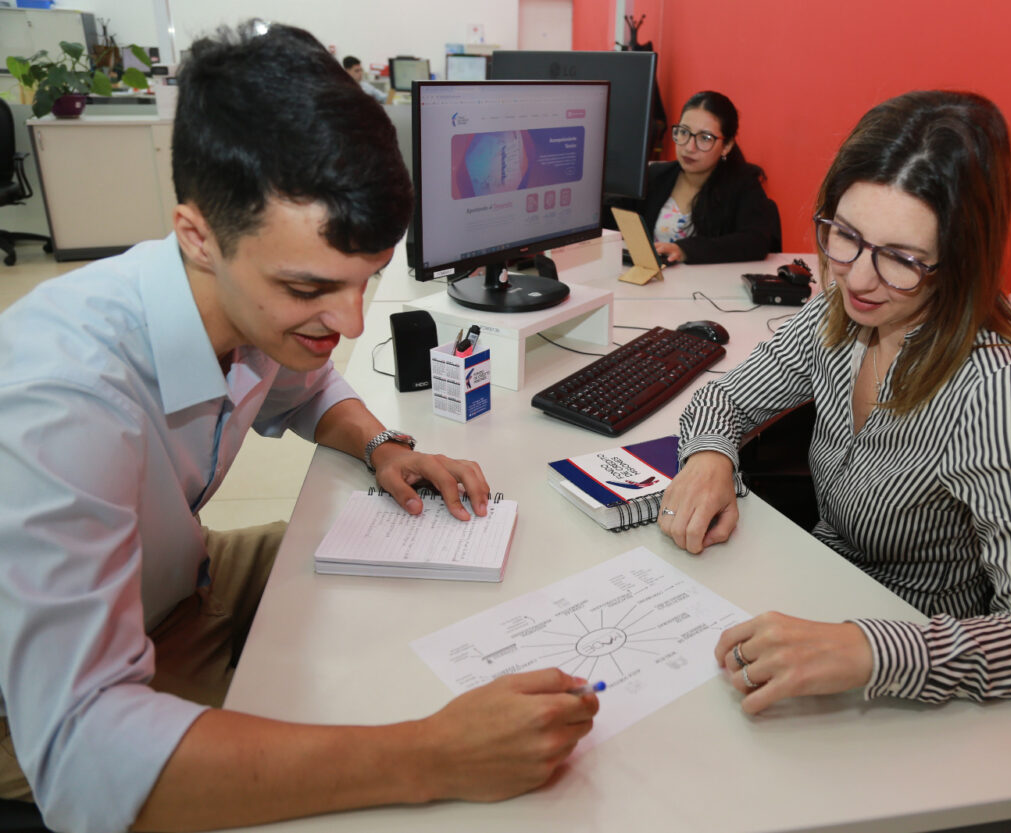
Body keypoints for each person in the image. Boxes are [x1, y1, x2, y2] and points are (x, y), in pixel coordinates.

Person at [0, 23, 597, 833]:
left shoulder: (244, 299)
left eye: (368, 281)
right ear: (197, 235)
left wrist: (382, 445)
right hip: (36, 703)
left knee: (404, 575)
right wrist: (430, 756)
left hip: (180, 586)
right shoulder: (61, 401)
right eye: (312, 286)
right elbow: (79, 757)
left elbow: (308, 386)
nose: (350, 321)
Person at [658, 90, 1011, 714]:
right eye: (846, 237)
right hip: (820, 595)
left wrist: (867, 652)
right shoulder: (840, 313)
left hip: (920, 661)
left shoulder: (996, 388)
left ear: (960, 261)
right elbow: (725, 400)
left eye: (902, 259)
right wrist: (709, 458)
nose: (857, 278)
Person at [642, 90, 781, 264]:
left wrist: (684, 250)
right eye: (684, 132)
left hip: (711, 287)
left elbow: (755, 242)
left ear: (727, 146)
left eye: (705, 138)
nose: (689, 147)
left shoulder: (744, 185)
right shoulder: (655, 176)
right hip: (656, 284)